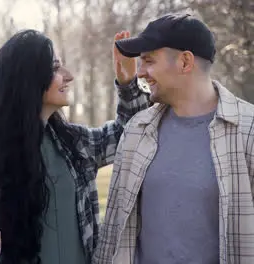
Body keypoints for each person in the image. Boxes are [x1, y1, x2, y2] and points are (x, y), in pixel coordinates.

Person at [0, 29, 150, 264]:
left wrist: (128, 83)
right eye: (55, 68)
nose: (68, 76)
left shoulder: (74, 144)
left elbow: (129, 133)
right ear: (29, 79)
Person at [94, 13, 254, 264]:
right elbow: (112, 236)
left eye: (148, 60)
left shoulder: (248, 130)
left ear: (185, 62)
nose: (140, 73)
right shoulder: (137, 131)